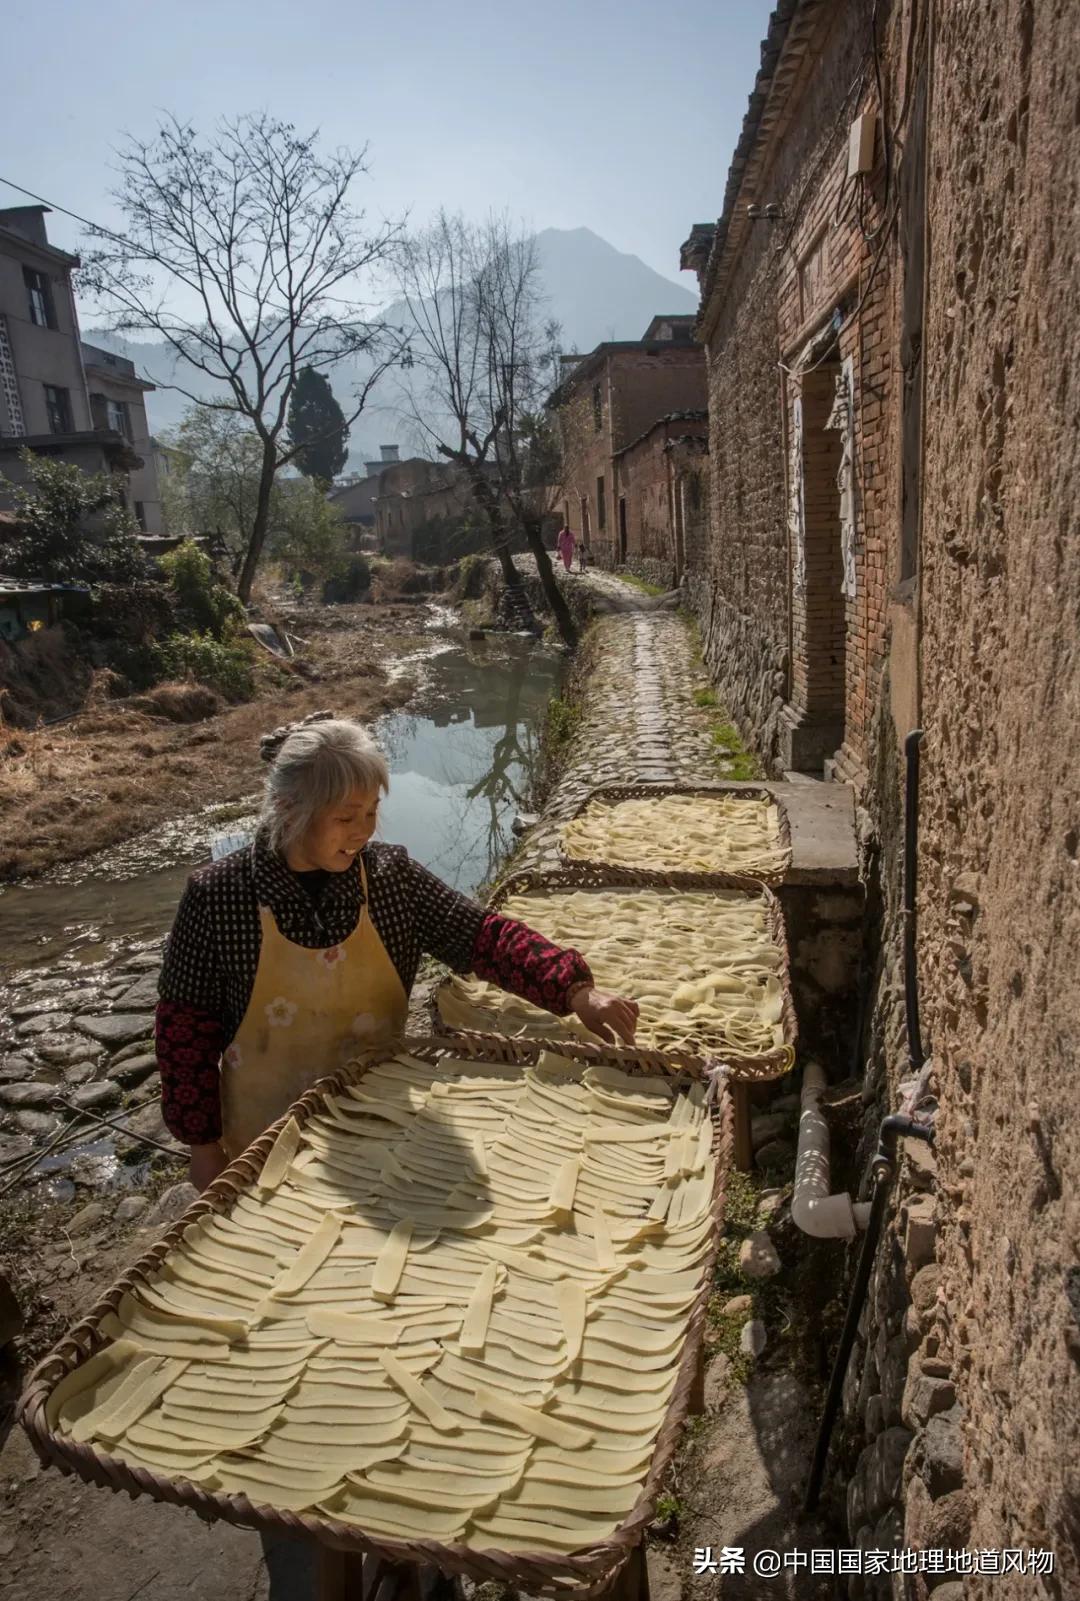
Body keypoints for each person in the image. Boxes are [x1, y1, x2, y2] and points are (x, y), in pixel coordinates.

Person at [155, 711, 639, 1191]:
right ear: (288, 808)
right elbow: (185, 1032)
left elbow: (483, 937)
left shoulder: (390, 880)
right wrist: (204, 1147)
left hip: (380, 1119)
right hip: (268, 1137)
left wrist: (575, 992)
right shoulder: (220, 895)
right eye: (344, 817)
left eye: (370, 812)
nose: (363, 831)